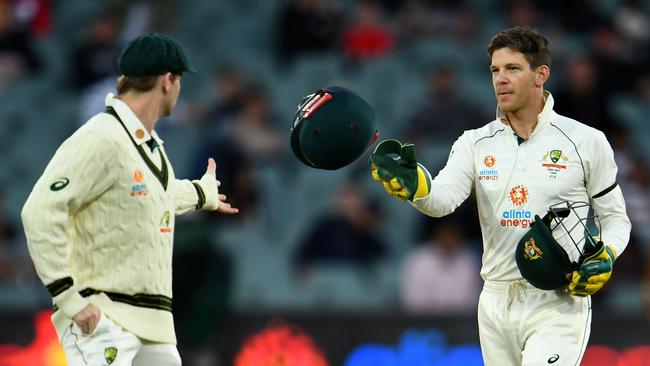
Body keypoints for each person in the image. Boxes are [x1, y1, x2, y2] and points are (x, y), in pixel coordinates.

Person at [371, 26, 631, 365]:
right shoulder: (474, 142)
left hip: (557, 299)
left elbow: (615, 219)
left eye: (512, 69)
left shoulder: (586, 141)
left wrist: (607, 253)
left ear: (541, 75)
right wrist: (415, 186)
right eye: (495, 70)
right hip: (495, 300)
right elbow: (441, 200)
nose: (500, 79)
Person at [21, 32, 239, 366]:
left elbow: (154, 196)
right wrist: (69, 297)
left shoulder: (148, 144)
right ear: (167, 81)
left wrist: (201, 193)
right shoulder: (102, 136)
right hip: (106, 316)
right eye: (179, 80)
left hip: (153, 322)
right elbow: (39, 211)